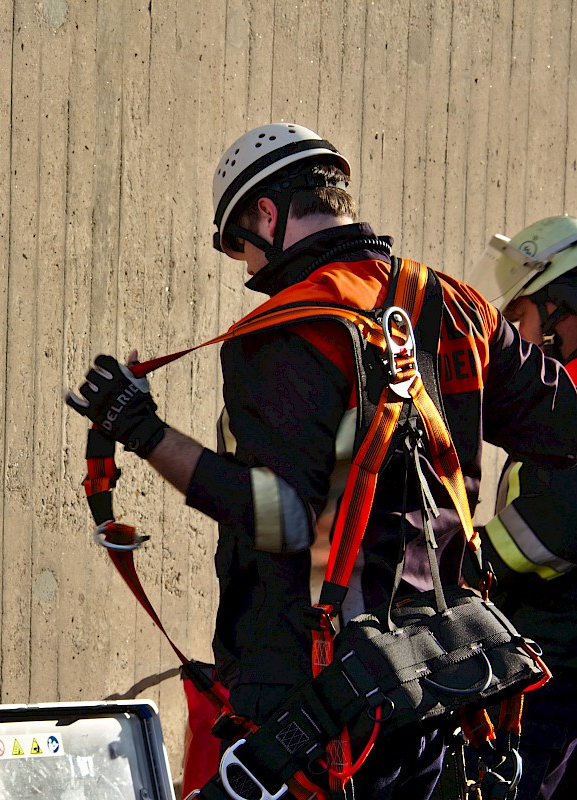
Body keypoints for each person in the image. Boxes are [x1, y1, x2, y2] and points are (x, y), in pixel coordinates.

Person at [65, 123, 577, 799]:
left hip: (319, 708)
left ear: (269, 215)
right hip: (436, 683)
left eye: (240, 245)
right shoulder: (455, 306)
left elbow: (286, 521)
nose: (247, 269)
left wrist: (145, 433)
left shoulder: (287, 331)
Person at [469, 215, 577, 799]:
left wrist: (463, 569)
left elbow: (553, 528)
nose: (518, 339)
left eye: (522, 318)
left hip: (557, 666)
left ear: (564, 312)